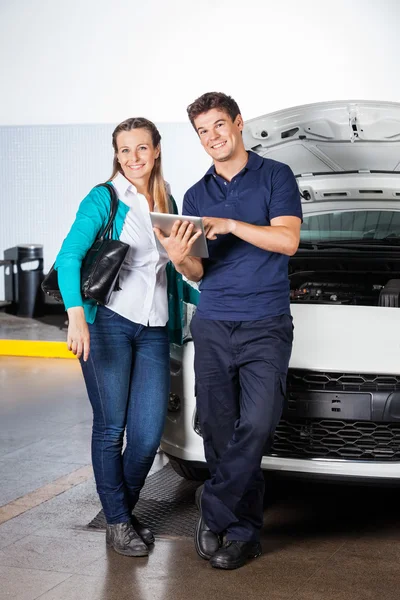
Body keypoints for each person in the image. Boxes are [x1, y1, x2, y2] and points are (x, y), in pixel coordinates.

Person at [155, 92, 302, 570]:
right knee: (220, 431)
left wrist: (234, 224)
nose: (212, 137)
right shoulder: (196, 196)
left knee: (257, 426)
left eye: (219, 125)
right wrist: (180, 260)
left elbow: (288, 240)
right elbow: (200, 273)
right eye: (203, 131)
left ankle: (212, 508)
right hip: (215, 322)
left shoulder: (275, 176)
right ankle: (241, 533)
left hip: (266, 323)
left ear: (238, 124)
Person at [55, 117, 199, 557]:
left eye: (141, 148)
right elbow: (68, 258)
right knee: (111, 428)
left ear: (156, 150)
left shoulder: (167, 201)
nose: (133, 158)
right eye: (124, 151)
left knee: (147, 435)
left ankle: (122, 511)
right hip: (108, 325)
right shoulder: (106, 198)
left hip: (153, 330)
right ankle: (119, 522)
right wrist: (77, 317)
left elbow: (179, 273)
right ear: (115, 156)